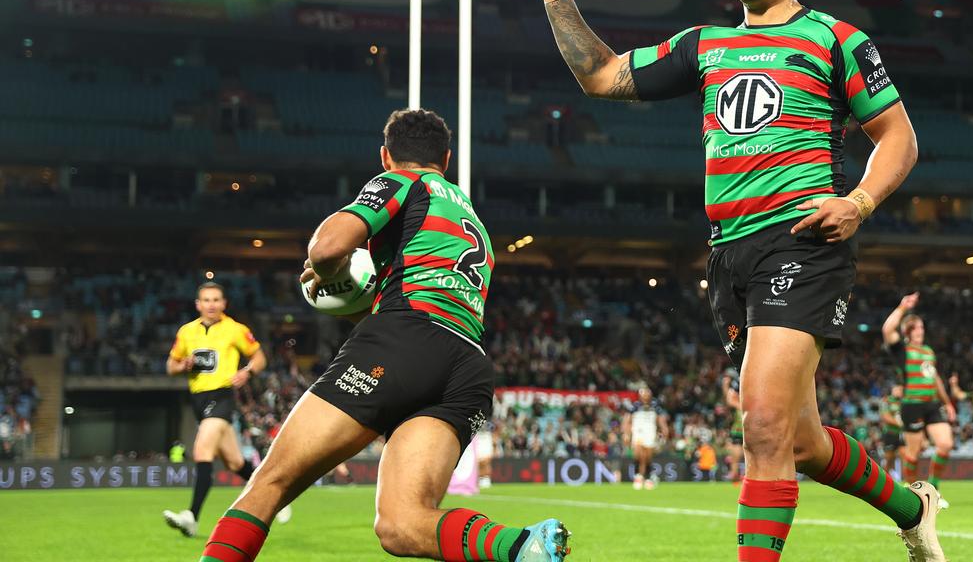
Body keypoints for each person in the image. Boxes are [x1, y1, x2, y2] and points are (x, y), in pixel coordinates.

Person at [515, 0, 943, 560]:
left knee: (763, 423)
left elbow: (899, 139)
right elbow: (601, 75)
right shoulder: (704, 46)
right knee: (799, 442)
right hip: (729, 256)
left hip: (803, 241)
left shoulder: (837, 40)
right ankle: (914, 510)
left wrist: (857, 202)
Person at [193, 109, 569, 562]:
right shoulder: (472, 219)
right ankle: (522, 547)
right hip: (467, 366)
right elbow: (428, 298)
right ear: (447, 159)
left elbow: (328, 247)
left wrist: (325, 270)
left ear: (386, 156)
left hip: (406, 338)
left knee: (269, 484)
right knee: (401, 525)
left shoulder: (401, 181)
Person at [163, 282, 291, 537]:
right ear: (198, 304)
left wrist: (247, 372)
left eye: (216, 300)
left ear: (224, 303)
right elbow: (170, 366)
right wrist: (183, 365)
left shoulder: (236, 330)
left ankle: (192, 516)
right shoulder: (187, 332)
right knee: (234, 462)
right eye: (206, 300)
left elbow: (259, 357)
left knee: (202, 450)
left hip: (221, 396)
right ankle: (277, 497)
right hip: (198, 400)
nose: (211, 304)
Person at [882, 293, 956, 505]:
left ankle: (933, 490)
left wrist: (947, 402)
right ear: (908, 331)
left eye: (923, 328)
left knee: (945, 444)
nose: (922, 331)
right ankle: (913, 493)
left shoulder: (928, 352)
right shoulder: (902, 351)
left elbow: (936, 380)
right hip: (912, 405)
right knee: (912, 455)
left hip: (932, 404)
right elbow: (887, 330)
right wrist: (902, 307)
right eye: (918, 328)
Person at [623, 386, 670, 490]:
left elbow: (661, 420)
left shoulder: (655, 406)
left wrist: (664, 431)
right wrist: (626, 434)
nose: (645, 397)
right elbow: (627, 420)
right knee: (638, 453)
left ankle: (648, 477)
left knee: (647, 456)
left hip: (650, 432)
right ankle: (638, 476)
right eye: (643, 395)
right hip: (638, 432)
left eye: (647, 394)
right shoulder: (634, 406)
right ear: (640, 396)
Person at [721, 369, 745, 482]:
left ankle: (734, 473)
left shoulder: (739, 380)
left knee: (736, 444)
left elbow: (730, 400)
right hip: (753, 415)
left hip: (742, 417)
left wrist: (725, 386)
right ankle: (737, 474)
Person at [878, 384, 906, 479]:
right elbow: (886, 417)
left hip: (902, 434)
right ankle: (884, 480)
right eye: (897, 389)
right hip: (890, 433)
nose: (899, 392)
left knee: (905, 456)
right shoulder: (886, 401)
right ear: (893, 390)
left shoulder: (904, 401)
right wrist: (900, 424)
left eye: (901, 390)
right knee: (889, 459)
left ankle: (908, 481)